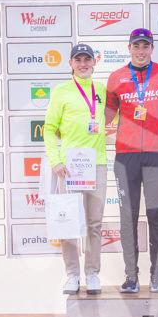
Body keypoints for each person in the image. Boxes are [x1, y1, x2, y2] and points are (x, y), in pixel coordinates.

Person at [106, 28, 158, 293]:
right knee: (128, 217)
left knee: (157, 216)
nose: (141, 50)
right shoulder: (116, 77)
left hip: (157, 154)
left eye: (145, 46)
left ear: (152, 48)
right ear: (129, 48)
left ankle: (157, 276)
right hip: (126, 157)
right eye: (136, 46)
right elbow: (105, 117)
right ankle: (131, 277)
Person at [43, 43, 108, 295]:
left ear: (94, 62)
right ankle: (72, 275)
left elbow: (111, 119)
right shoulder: (61, 91)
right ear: (70, 63)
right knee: (68, 221)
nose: (83, 64)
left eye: (87, 59)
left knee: (94, 223)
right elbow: (49, 129)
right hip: (69, 166)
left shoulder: (101, 90)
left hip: (97, 163)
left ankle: (92, 273)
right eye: (78, 60)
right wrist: (55, 160)